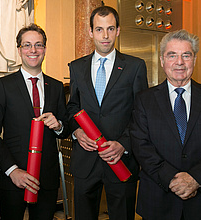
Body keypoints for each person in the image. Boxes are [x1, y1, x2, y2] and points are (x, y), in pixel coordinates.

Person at [129, 29, 201, 220]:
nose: (179, 62)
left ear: (194, 60)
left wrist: (195, 179)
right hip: (158, 199)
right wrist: (172, 179)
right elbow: (141, 145)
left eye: (186, 55)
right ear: (162, 61)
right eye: (172, 55)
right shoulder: (144, 100)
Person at [66, 6, 148, 220]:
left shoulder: (135, 67)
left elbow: (142, 114)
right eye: (99, 29)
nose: (105, 36)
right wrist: (77, 132)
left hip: (120, 160)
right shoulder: (76, 67)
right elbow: (72, 107)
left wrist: (124, 144)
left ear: (118, 31)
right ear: (91, 32)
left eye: (110, 29)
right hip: (85, 161)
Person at [0, 23, 70, 220]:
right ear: (19, 50)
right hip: (13, 178)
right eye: (27, 45)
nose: (33, 50)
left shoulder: (57, 87)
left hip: (47, 182)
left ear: (45, 49)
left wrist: (58, 126)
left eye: (38, 45)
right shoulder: (3, 86)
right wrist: (12, 171)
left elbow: (66, 129)